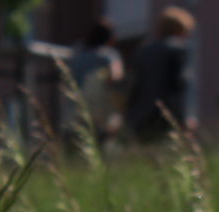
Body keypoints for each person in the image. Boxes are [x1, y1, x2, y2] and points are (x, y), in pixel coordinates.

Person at [125, 6, 195, 142]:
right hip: (167, 115)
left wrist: (129, 116)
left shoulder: (142, 52)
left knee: (145, 159)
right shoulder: (178, 50)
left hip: (140, 116)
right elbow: (179, 86)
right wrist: (186, 117)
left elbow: (134, 86)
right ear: (180, 28)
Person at [67, 19, 126, 144]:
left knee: (83, 140)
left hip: (79, 105)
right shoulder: (109, 54)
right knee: (105, 140)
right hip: (102, 108)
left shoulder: (78, 56)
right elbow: (117, 77)